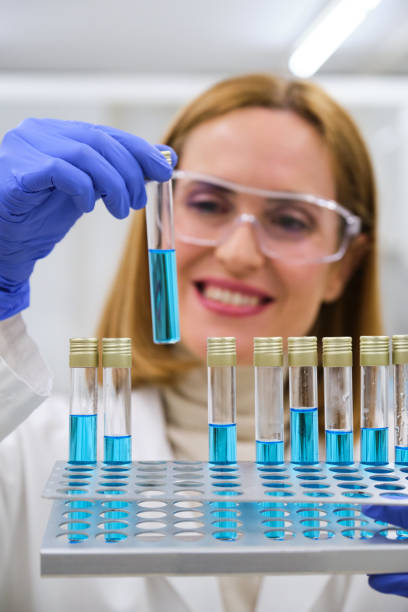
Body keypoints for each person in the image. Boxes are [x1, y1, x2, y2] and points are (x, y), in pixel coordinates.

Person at [0, 73, 406, 611]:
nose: (240, 253)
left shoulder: (391, 470)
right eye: (209, 205)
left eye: (289, 219)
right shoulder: (24, 452)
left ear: (344, 265)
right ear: (156, 220)